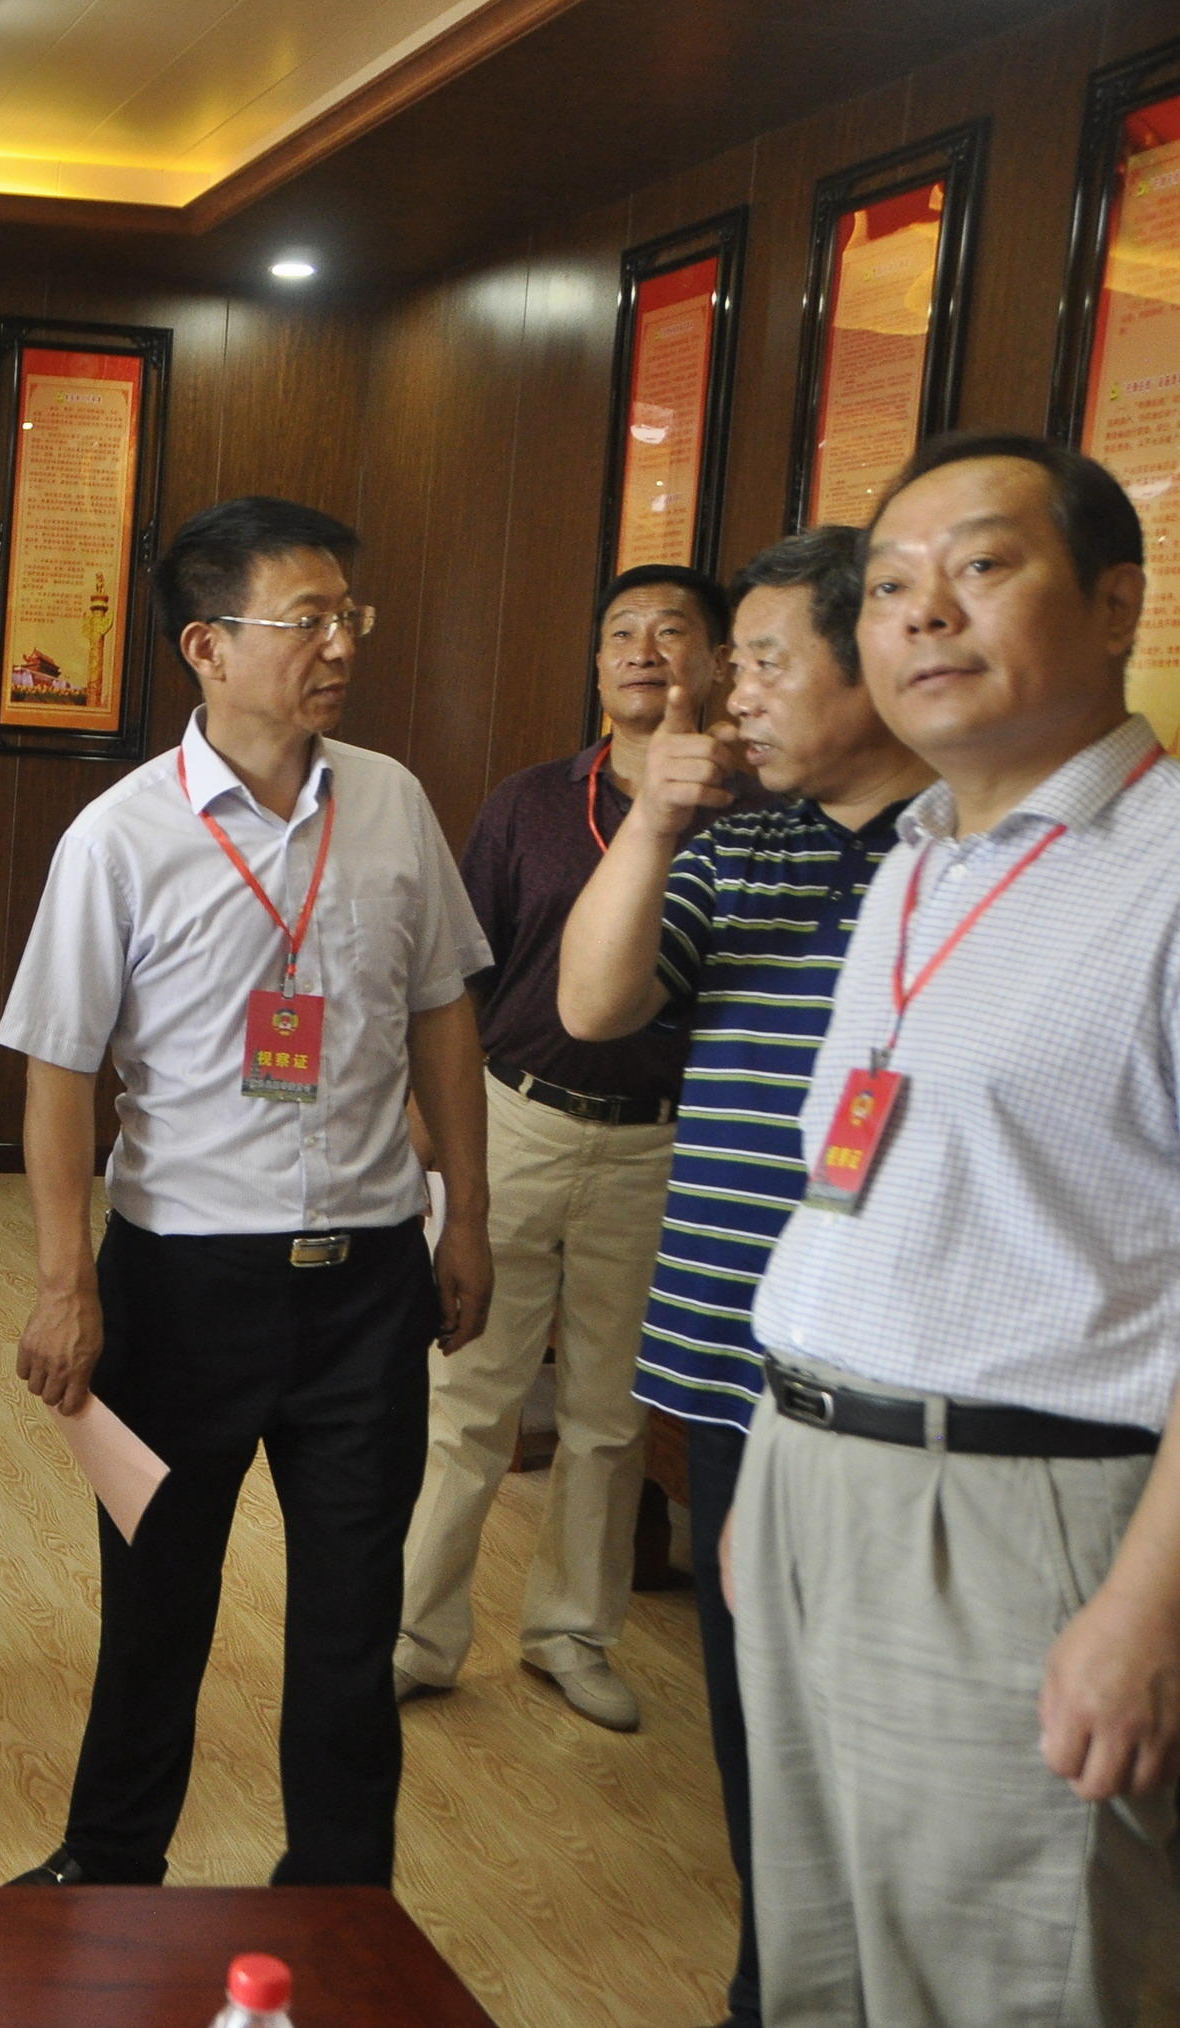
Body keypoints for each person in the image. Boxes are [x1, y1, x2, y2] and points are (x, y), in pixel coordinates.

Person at [731, 435, 1180, 2023]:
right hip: (812, 1480)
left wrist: (1145, 1607)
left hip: (1026, 1518)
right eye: (887, 585)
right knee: (820, 1971)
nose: (921, 612)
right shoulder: (918, 862)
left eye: (979, 568)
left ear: (1114, 603)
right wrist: (777, 1467)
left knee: (1005, 1982)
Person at [0, 495, 493, 1889]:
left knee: (351, 1613)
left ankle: (340, 1892)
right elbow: (57, 1071)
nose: (340, 645)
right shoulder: (119, 835)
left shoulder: (390, 801)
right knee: (156, 1599)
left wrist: (466, 1215)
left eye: (349, 616)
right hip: (181, 1288)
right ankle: (110, 1868)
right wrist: (64, 1281)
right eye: (307, 619)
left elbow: (443, 1012)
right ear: (206, 646)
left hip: (368, 1282)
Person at [557, 527, 932, 2028]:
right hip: (726, 1361)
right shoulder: (738, 844)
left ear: (876, 661)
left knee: (895, 1738)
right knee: (755, 1722)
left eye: (765, 662)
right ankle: (777, 1987)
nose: (729, 695)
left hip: (895, 1385)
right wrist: (652, 822)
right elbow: (592, 1005)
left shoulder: (968, 855)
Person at [396, 564, 733, 1733]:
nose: (643, 649)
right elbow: (458, 976)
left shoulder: (748, 815)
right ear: (596, 666)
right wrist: (432, 1129)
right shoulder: (530, 802)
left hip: (661, 1151)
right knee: (466, 1396)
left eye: (671, 631)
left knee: (608, 1413)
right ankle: (414, 1637)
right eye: (621, 632)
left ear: (717, 663)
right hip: (516, 1120)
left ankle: (571, 1636)